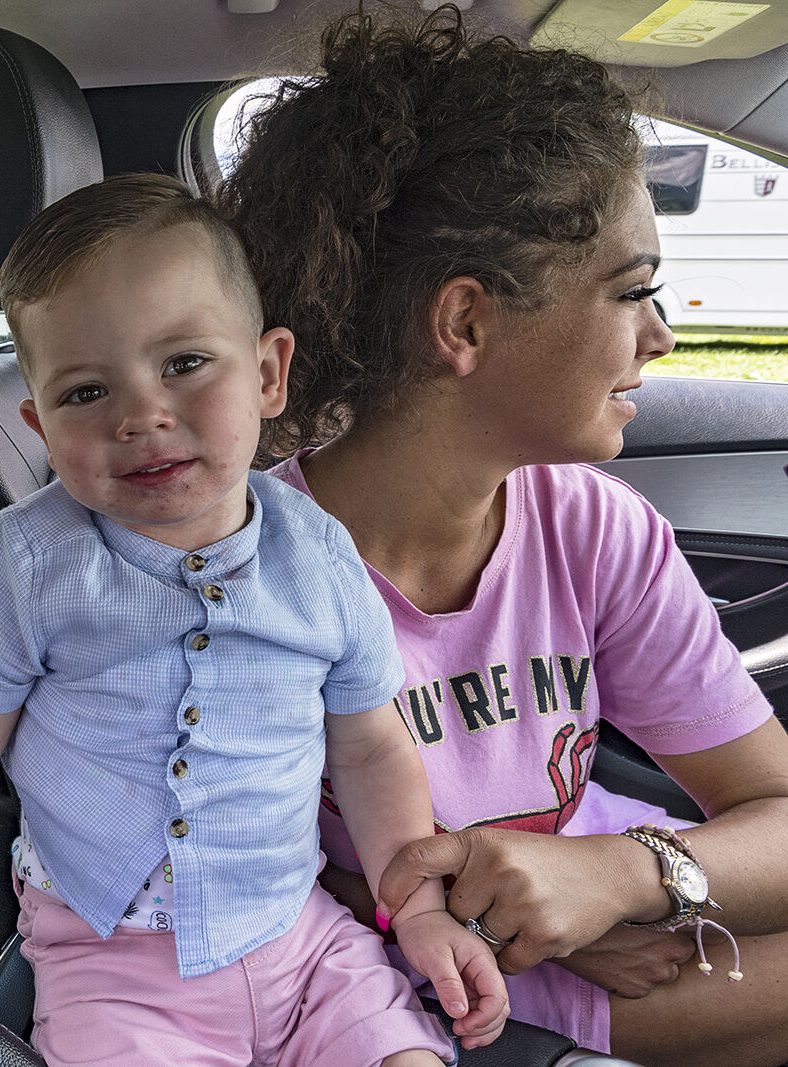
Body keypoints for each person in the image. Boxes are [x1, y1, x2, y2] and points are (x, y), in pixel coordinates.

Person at [0, 173, 507, 1066]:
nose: (141, 415)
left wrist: (419, 907)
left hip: (299, 940)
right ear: (40, 426)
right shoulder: (34, 560)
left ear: (268, 373)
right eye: (86, 393)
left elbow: (369, 747)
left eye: (184, 364)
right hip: (112, 962)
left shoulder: (320, 557)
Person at [217, 8, 788, 1065]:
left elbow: (775, 807)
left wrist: (627, 875)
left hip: (611, 901)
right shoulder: (248, 581)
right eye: (631, 291)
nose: (660, 336)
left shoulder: (591, 527)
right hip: (438, 987)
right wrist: (509, 924)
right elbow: (225, 879)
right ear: (466, 323)